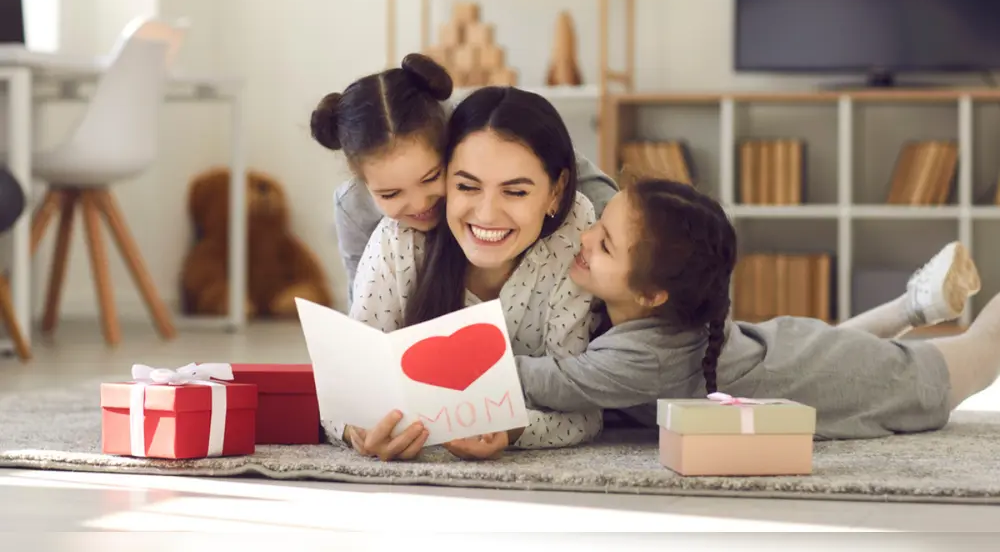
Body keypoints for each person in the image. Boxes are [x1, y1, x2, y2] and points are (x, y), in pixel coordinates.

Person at [511, 177, 994, 444]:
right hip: (795, 350)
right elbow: (591, 181)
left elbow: (543, 381)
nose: (585, 235)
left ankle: (918, 303)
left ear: (652, 295)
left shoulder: (647, 359)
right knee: (845, 347)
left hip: (840, 376)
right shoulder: (666, 300)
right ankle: (917, 302)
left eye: (605, 245)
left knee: (982, 348)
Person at [328, 85, 607, 460]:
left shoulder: (576, 228)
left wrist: (512, 428)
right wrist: (356, 431)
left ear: (556, 192)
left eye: (516, 192)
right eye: (466, 186)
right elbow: (341, 388)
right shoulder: (403, 235)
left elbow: (582, 409)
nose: (487, 214)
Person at [311, 54, 617, 308]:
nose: (419, 203)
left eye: (432, 177)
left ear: (447, 144)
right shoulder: (356, 207)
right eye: (390, 194)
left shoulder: (474, 135)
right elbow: (364, 302)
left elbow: (563, 165)